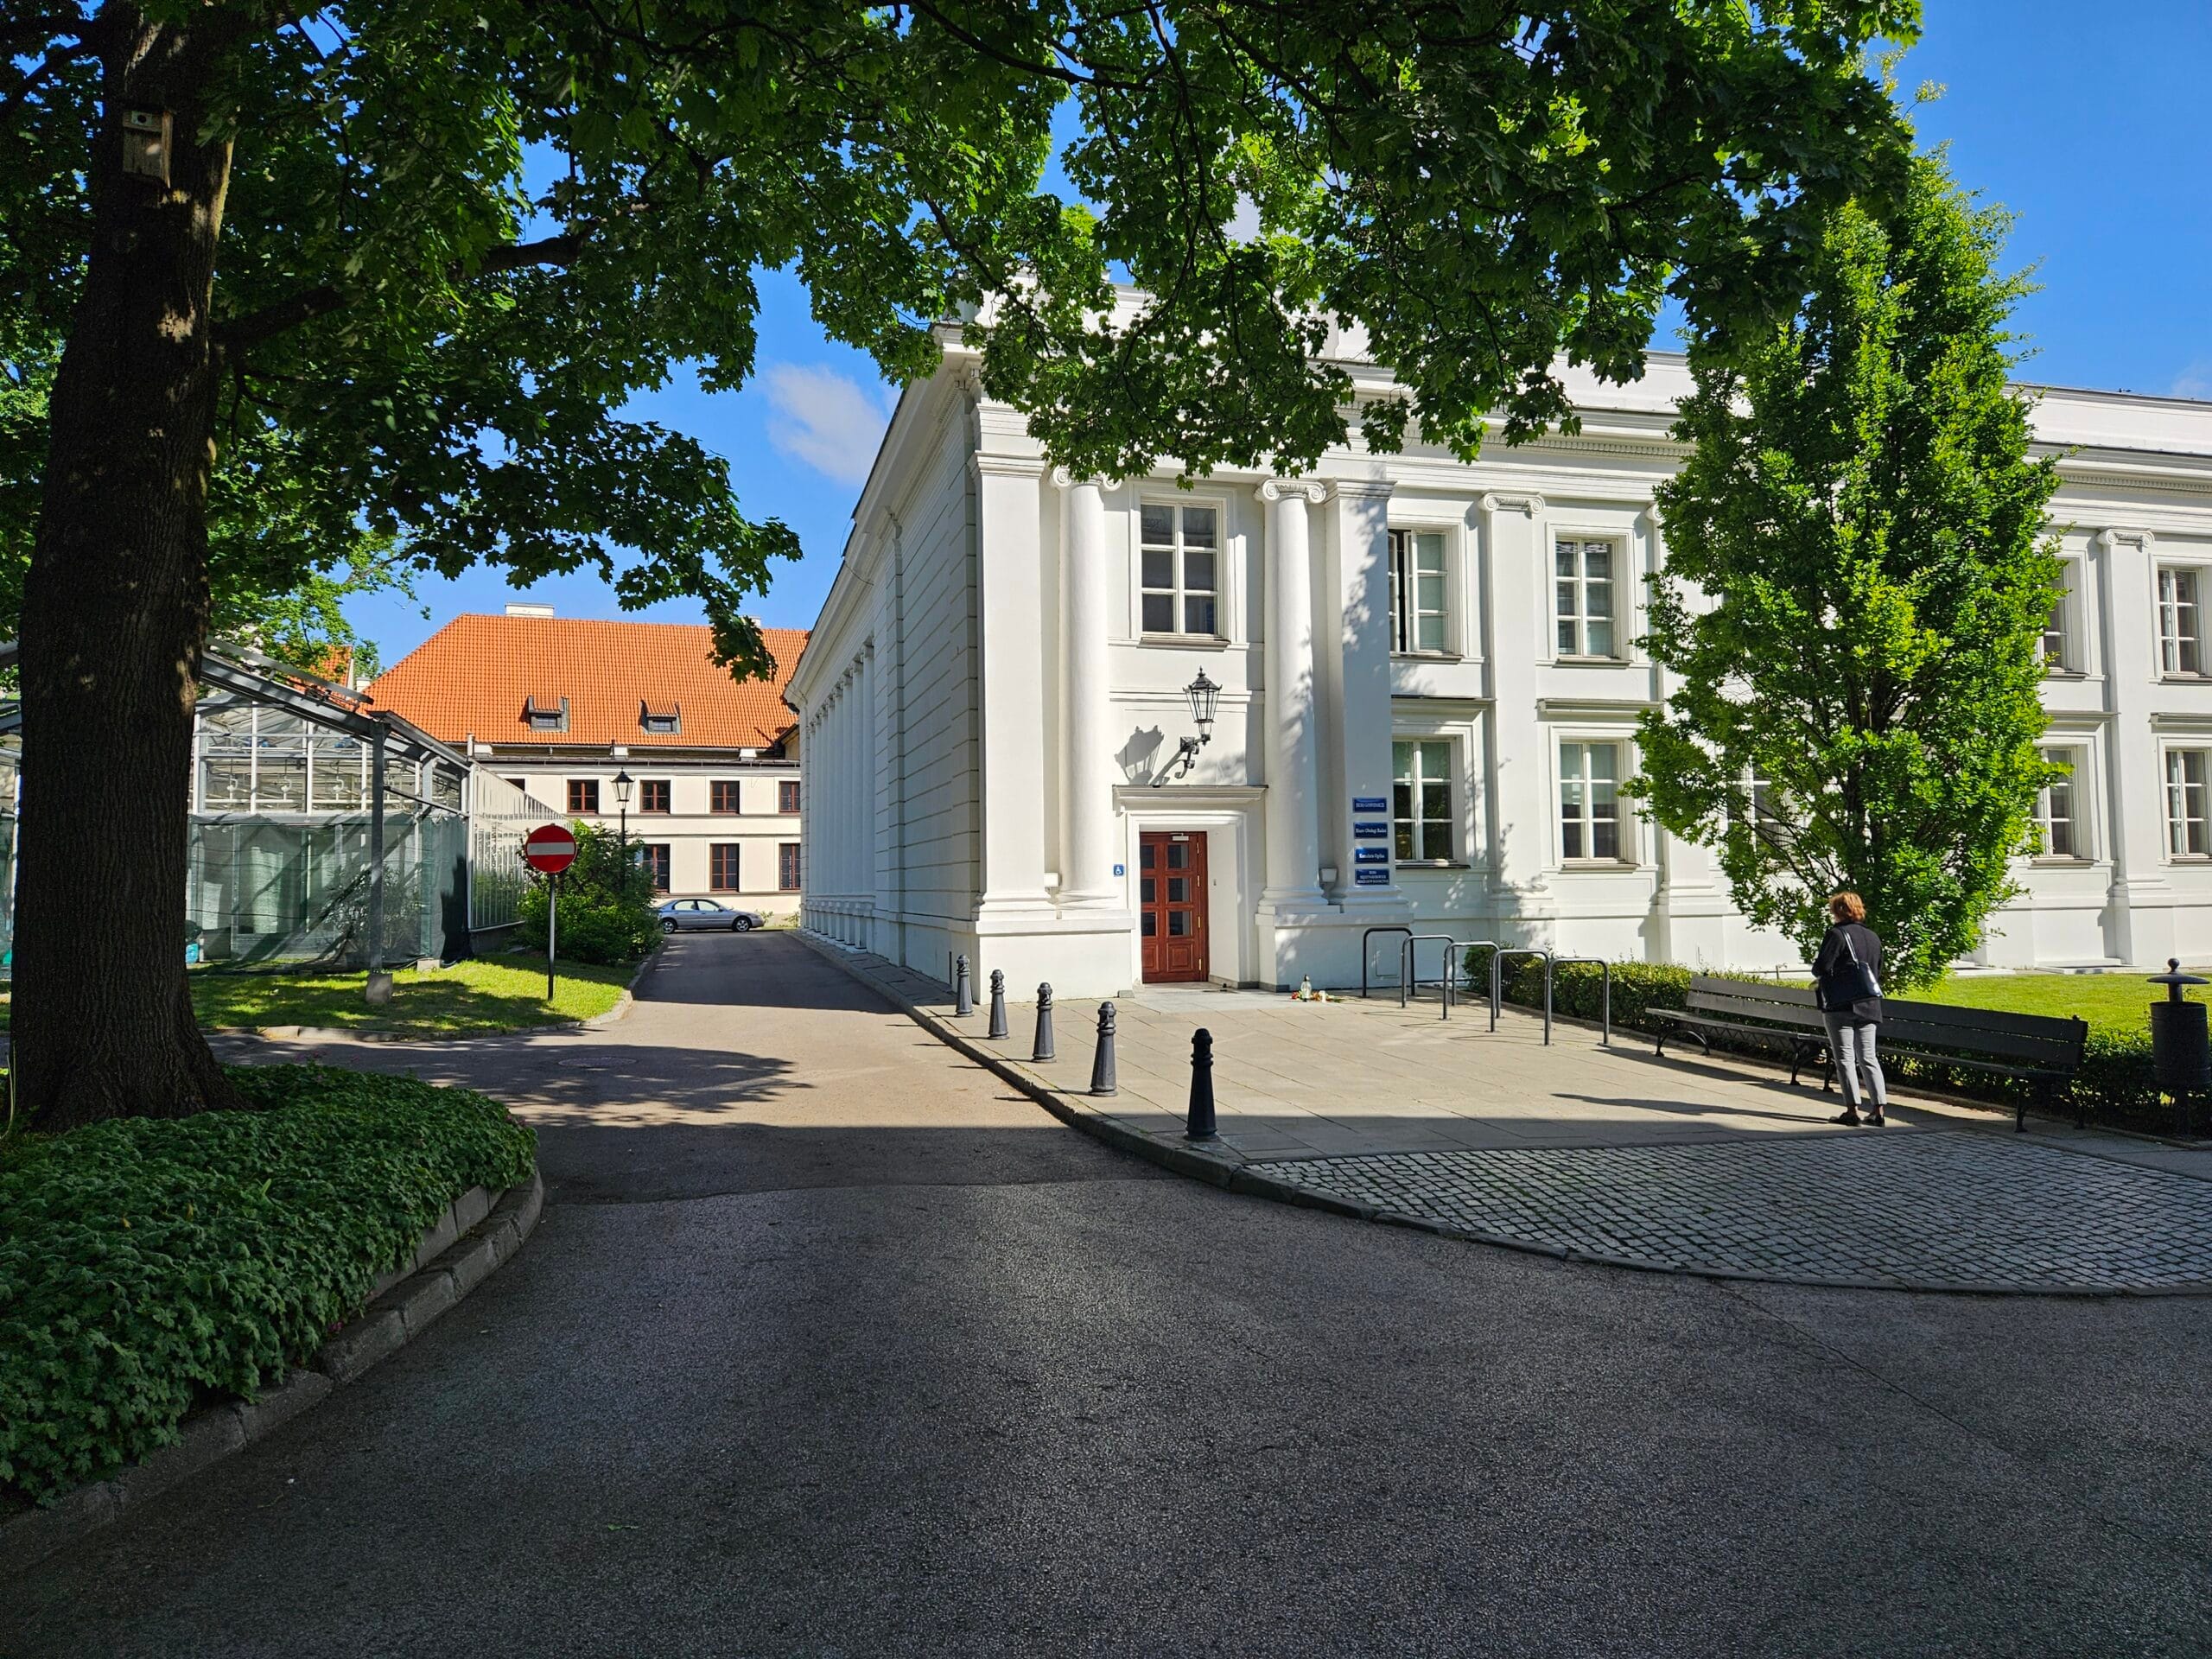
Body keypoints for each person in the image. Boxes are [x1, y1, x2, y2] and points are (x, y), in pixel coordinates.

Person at [1812, 891, 1888, 1127]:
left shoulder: (1837, 934)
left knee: (1844, 1057)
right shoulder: (1873, 937)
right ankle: (1878, 1111)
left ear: (1838, 911)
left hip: (1841, 1005)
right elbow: (1877, 970)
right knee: (1868, 1057)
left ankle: (1852, 1110)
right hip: (1869, 1004)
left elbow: (1821, 967)